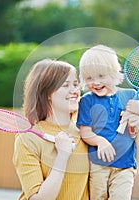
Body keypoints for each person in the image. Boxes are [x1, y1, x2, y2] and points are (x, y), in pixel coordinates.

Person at [76, 45, 139, 200]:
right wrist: (100, 141)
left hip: (125, 166)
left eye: (101, 76)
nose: (95, 82)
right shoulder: (87, 101)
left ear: (114, 73)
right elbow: (85, 131)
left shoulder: (130, 95)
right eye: (89, 78)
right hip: (98, 166)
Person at [13, 59, 89, 200]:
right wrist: (62, 157)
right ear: (47, 93)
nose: (74, 91)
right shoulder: (28, 139)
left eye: (75, 84)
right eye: (65, 85)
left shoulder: (86, 134)